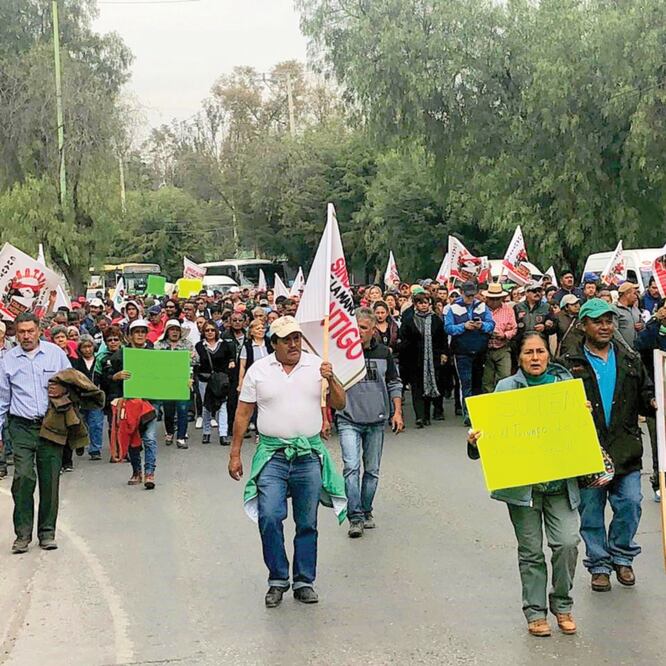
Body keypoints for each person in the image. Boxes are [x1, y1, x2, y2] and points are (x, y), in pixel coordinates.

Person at [228, 316, 346, 608]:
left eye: (296, 338)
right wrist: (234, 453)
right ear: (274, 344)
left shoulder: (318, 366)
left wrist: (331, 379)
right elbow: (243, 414)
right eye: (286, 339)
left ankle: (304, 581)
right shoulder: (259, 371)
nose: (293, 344)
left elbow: (340, 404)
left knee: (307, 522)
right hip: (273, 456)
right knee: (269, 515)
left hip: (307, 457)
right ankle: (278, 579)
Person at [469, 333, 581, 636]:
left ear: (549, 354)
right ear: (519, 357)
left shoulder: (565, 386)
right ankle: (535, 612)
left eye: (540, 351)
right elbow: (493, 434)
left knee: (568, 543)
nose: (535, 357)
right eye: (529, 352)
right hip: (524, 489)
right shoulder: (506, 388)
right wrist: (476, 441)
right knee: (531, 551)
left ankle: (562, 603)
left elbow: (581, 435)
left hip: (561, 485)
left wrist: (583, 418)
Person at [559, 299, 656, 591]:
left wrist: (654, 401)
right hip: (588, 451)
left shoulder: (629, 358)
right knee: (591, 512)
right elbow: (554, 408)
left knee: (630, 503)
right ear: (584, 325)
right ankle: (599, 564)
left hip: (625, 448)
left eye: (609, 321)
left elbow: (646, 394)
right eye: (598, 321)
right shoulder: (569, 364)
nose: (605, 327)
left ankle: (623, 557)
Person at [0, 313, 71, 553]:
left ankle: (47, 533)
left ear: (39, 330)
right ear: (16, 333)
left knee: (50, 479)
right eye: (22, 332)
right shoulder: (7, 361)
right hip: (20, 427)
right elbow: (2, 399)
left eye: (30, 331)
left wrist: (63, 388)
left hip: (51, 425)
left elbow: (74, 384)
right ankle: (22, 535)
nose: (26, 336)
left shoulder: (56, 354)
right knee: (22, 477)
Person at [337, 308, 403, 538]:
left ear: (373, 330)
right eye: (355, 327)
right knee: (351, 467)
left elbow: (394, 383)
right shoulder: (341, 354)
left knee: (372, 470)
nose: (358, 332)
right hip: (348, 419)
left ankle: (366, 510)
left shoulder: (384, 353)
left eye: (363, 327)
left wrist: (397, 412)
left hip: (376, 420)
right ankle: (354, 517)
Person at [104, 319, 158, 489]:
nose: (140, 335)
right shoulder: (119, 356)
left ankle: (149, 473)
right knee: (134, 440)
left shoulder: (155, 354)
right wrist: (115, 376)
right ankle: (136, 471)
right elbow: (105, 377)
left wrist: (182, 383)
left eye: (143, 331)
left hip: (149, 404)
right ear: (129, 336)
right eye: (137, 332)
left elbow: (167, 376)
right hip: (128, 405)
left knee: (149, 439)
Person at [444, 281, 494, 426]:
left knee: (478, 383)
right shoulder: (453, 308)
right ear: (461, 293)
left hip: (480, 350)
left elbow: (491, 324)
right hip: (462, 351)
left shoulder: (483, 306)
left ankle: (478, 413)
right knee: (465, 383)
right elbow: (448, 328)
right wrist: (463, 326)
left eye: (473, 295)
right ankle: (468, 414)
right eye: (468, 295)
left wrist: (482, 325)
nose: (471, 298)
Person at [400, 293, 449, 427]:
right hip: (414, 360)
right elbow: (403, 339)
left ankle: (427, 414)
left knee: (430, 385)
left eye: (425, 303)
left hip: (432, 360)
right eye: (420, 303)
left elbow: (442, 339)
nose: (423, 305)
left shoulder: (436, 320)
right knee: (417, 388)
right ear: (415, 305)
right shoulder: (409, 319)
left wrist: (444, 353)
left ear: (429, 304)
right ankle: (420, 417)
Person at [156, 320, 197, 448]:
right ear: (167, 331)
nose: (174, 332)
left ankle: (181, 437)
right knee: (168, 410)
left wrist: (192, 357)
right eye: (172, 329)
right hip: (166, 382)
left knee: (183, 409)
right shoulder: (159, 345)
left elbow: (195, 362)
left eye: (177, 329)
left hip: (183, 382)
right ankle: (169, 432)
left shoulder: (188, 345)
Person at [196, 321, 235, 445]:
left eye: (212, 330)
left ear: (216, 331)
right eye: (207, 330)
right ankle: (206, 432)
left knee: (223, 406)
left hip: (221, 380)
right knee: (206, 405)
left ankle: (223, 434)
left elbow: (231, 358)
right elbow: (196, 362)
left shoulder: (224, 345)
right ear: (203, 332)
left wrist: (231, 363)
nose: (210, 332)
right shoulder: (199, 346)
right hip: (205, 379)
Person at [71, 336, 104, 461]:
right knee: (80, 424)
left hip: (95, 397)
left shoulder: (99, 361)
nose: (87, 350)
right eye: (84, 347)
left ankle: (95, 449)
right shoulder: (76, 363)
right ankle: (81, 443)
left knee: (96, 424)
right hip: (80, 398)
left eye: (89, 346)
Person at [482, 283, 517, 393]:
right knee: (487, 381)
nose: (494, 301)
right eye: (492, 298)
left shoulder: (508, 310)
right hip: (484, 349)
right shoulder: (481, 309)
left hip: (503, 348)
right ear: (487, 298)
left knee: (505, 378)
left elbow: (514, 328)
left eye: (497, 299)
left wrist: (505, 335)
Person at [614, 282, 643, 349]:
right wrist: (626, 349)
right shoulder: (615, 309)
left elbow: (642, 323)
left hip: (637, 350)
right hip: (622, 352)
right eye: (635, 293)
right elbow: (615, 333)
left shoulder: (635, 309)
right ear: (627, 294)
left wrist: (642, 325)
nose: (637, 296)